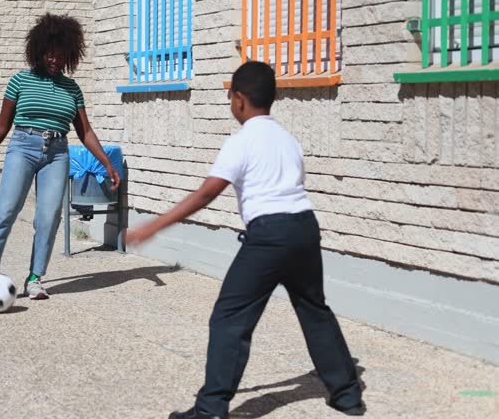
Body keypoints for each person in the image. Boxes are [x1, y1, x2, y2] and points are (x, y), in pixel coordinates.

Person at [125, 61, 365, 419]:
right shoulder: (287, 138)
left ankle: (210, 410)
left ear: (238, 99)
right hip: (304, 228)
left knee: (230, 318)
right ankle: (347, 395)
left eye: (229, 98)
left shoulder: (241, 141)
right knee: (314, 308)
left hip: (270, 236)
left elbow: (208, 194)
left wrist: (154, 225)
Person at [0, 13, 120, 302]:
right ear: (39, 52)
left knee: (49, 217)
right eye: (50, 55)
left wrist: (107, 163)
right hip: (23, 147)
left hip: (57, 152)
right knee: (5, 211)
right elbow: (3, 123)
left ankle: (35, 279)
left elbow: (85, 131)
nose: (55, 61)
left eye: (61, 57)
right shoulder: (20, 81)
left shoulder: (71, 89)